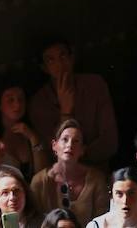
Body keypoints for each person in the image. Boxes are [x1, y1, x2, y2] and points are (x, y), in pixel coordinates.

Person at [29, 41, 119, 169]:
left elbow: (110, 141)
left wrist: (77, 154)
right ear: (44, 67)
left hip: (98, 171)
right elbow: (54, 154)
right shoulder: (39, 103)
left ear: (72, 58)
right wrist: (66, 112)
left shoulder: (94, 85)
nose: (59, 64)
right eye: (51, 60)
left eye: (63, 56)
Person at [28, 120, 107, 224]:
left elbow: (102, 222)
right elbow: (34, 221)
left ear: (82, 149)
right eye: (65, 139)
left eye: (76, 141)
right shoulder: (39, 182)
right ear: (54, 145)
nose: (69, 145)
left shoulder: (96, 180)